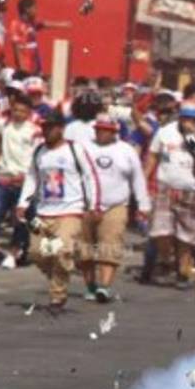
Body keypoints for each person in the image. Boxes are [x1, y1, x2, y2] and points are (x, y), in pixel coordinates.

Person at [16, 110, 98, 311]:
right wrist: (23, 203)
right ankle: (61, 271)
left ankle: (57, 295)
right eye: (44, 127)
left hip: (70, 211)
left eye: (51, 127)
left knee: (61, 251)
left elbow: (89, 177)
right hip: (44, 212)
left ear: (61, 128)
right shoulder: (39, 151)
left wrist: (93, 204)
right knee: (38, 253)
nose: (46, 131)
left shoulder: (74, 150)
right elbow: (32, 178)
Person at [145, 102, 195, 288]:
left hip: (193, 189)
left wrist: (192, 135)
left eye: (192, 118)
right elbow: (153, 155)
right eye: (185, 118)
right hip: (166, 187)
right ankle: (166, 260)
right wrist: (144, 179)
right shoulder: (165, 131)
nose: (188, 121)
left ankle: (182, 272)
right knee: (161, 230)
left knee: (186, 235)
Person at [82, 114, 151, 302]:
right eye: (99, 129)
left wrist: (143, 204)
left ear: (114, 132)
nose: (101, 133)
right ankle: (90, 285)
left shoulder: (126, 151)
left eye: (106, 130)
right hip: (85, 205)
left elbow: (137, 178)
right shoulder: (83, 148)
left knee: (110, 245)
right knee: (84, 250)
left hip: (116, 205)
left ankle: (104, 286)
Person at [0, 96, 39, 269]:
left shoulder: (34, 131)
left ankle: (14, 253)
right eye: (15, 110)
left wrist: (27, 177)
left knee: (20, 220)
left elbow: (36, 158)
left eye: (22, 111)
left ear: (28, 113)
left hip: (24, 181)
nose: (18, 114)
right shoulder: (5, 125)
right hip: (3, 178)